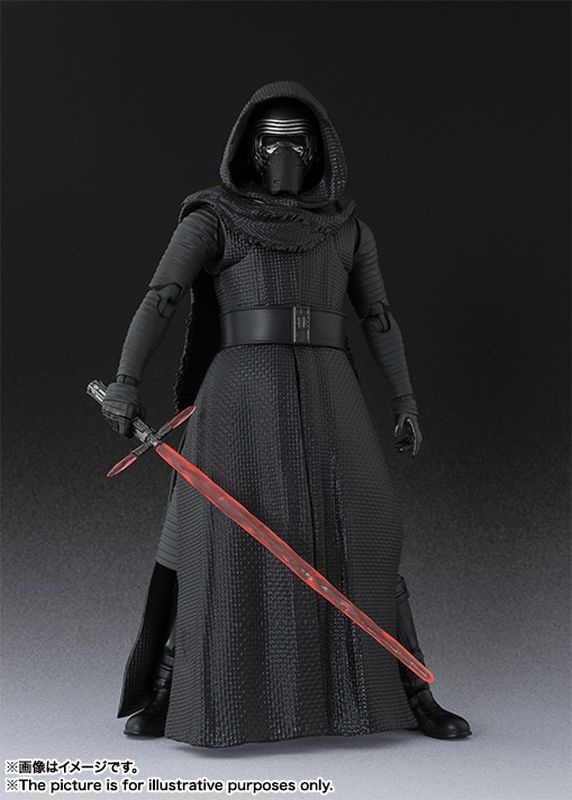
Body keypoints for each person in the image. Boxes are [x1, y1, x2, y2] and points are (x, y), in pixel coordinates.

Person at [102, 81, 471, 747]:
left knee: (372, 527)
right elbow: (162, 296)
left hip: (330, 388)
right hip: (240, 392)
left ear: (319, 149)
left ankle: (412, 689)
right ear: (247, 148)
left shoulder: (346, 228)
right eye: (270, 142)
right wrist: (127, 381)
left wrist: (405, 398)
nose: (283, 155)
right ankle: (170, 687)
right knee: (210, 536)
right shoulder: (214, 217)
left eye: (297, 143)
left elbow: (378, 317)